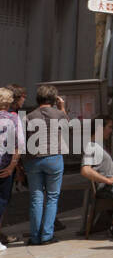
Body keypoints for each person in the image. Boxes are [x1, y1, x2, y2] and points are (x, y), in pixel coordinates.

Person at [24, 85, 69, 245]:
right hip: (54, 158)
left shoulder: (29, 116)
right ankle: (47, 235)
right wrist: (62, 108)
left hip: (33, 159)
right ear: (53, 99)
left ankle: (35, 236)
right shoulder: (59, 114)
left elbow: (24, 140)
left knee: (36, 198)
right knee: (52, 197)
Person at [0, 88, 25, 251]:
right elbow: (19, 145)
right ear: (9, 102)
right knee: (1, 202)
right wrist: (11, 167)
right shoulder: (14, 118)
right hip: (4, 167)